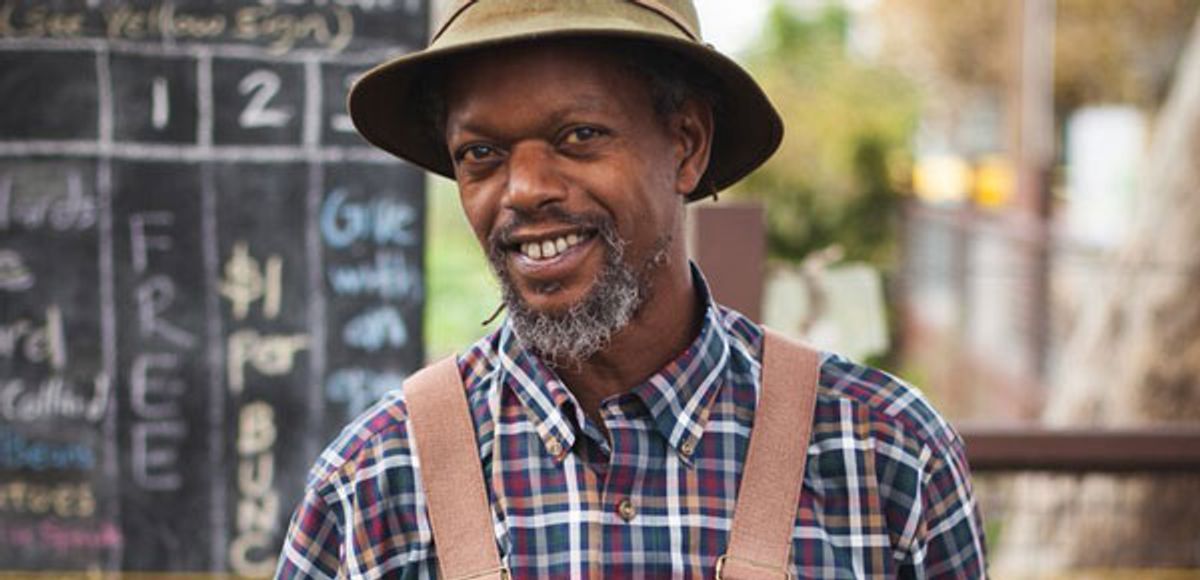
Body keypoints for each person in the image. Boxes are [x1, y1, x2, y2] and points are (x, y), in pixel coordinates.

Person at [277, 1, 987, 578]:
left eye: (579, 135)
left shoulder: (885, 456)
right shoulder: (373, 485)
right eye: (481, 155)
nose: (523, 190)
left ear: (686, 145)